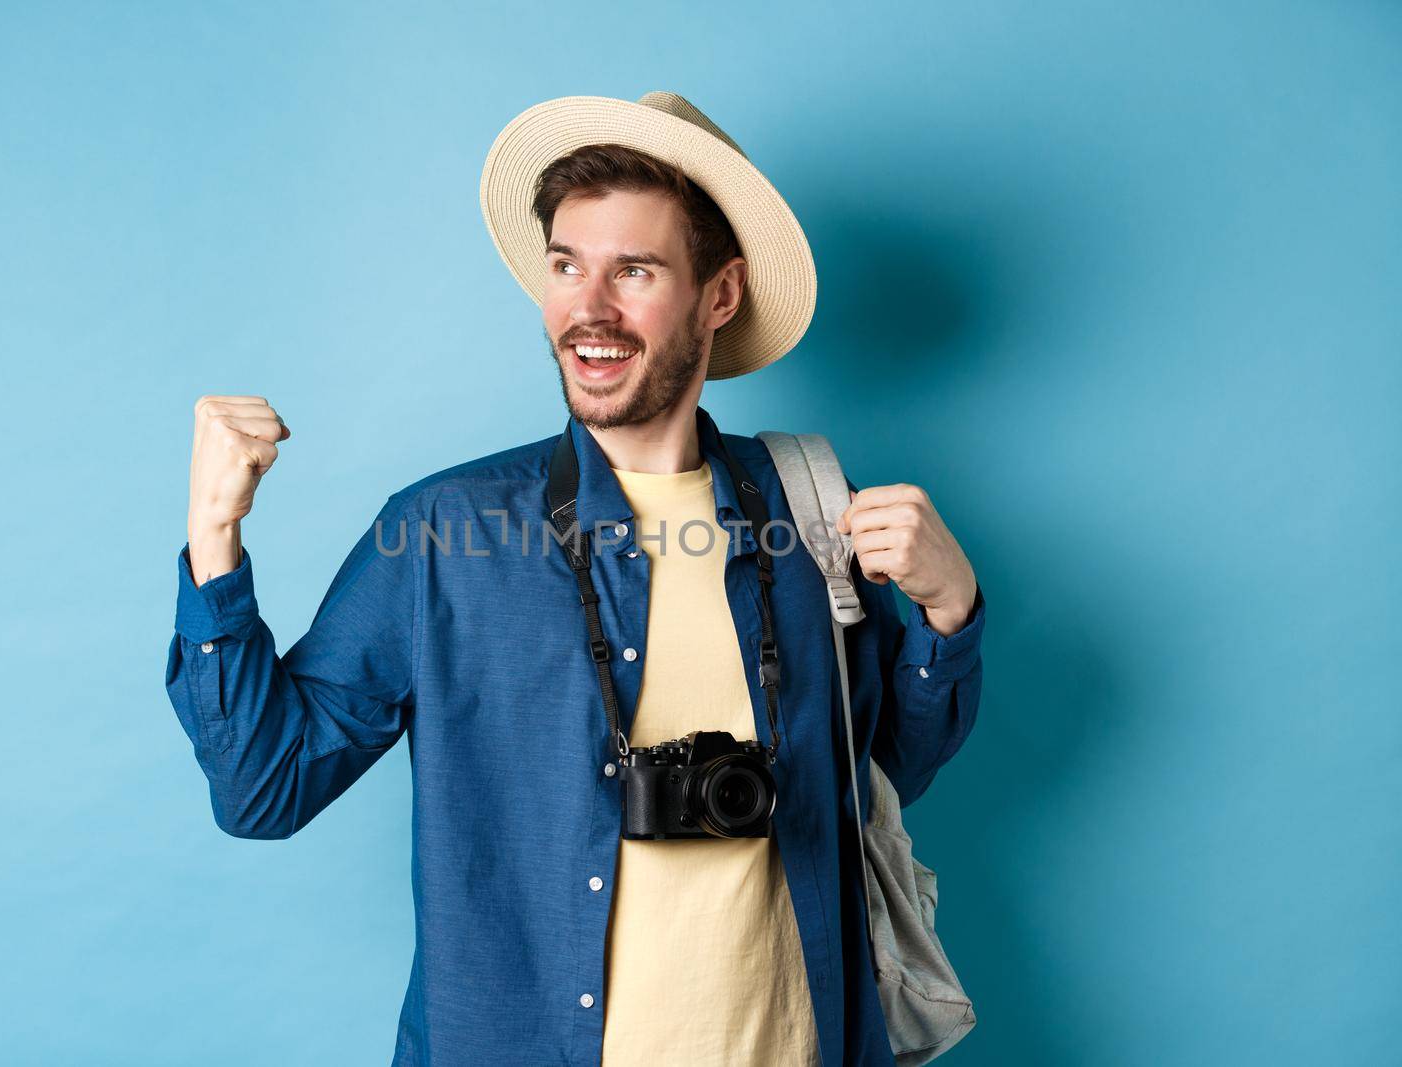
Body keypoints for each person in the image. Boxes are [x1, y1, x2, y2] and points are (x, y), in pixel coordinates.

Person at [166, 91, 985, 1067]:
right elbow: (263, 787)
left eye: (633, 270)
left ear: (718, 295)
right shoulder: (444, 533)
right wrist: (214, 538)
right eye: (566, 266)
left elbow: (885, 767)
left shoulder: (812, 508)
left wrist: (946, 606)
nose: (587, 311)